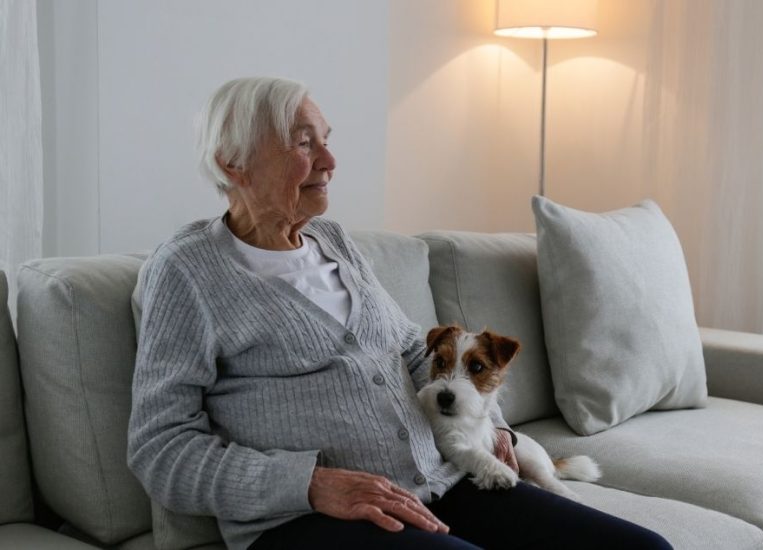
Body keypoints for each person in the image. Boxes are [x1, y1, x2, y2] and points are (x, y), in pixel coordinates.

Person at [127, 76, 672, 550]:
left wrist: (495, 426)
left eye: (327, 141)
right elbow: (160, 448)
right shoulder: (187, 273)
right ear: (234, 162)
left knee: (645, 548)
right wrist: (311, 484)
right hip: (304, 520)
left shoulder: (332, 241)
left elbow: (416, 351)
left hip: (441, 479)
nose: (330, 161)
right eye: (303, 144)